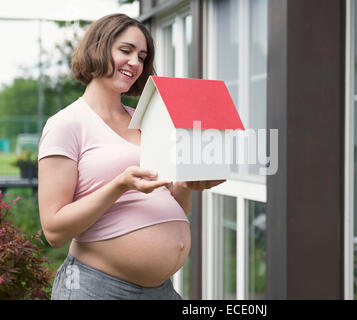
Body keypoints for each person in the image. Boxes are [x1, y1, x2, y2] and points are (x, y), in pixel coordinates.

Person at [38, 13, 224, 300]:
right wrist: (119, 185)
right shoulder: (66, 125)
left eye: (142, 56)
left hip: (160, 291)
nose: (135, 63)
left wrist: (186, 185)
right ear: (97, 48)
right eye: (125, 51)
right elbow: (53, 230)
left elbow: (170, 206)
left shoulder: (147, 120)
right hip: (96, 288)